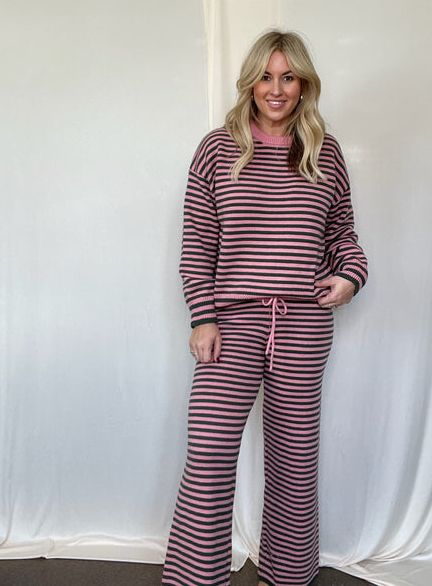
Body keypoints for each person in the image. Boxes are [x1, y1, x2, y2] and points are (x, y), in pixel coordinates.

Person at [161, 30, 368, 586]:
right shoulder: (217, 148)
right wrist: (203, 317)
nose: (276, 89)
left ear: (304, 85)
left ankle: (288, 575)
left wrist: (350, 277)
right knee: (209, 455)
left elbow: (343, 237)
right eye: (265, 77)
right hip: (231, 323)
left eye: (288, 77)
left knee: (294, 461)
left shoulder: (325, 152)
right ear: (251, 83)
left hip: (302, 325)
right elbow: (197, 243)